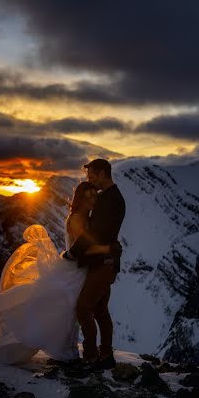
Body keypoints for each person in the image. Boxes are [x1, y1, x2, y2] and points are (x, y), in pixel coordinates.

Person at [0, 181, 109, 364]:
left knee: (69, 311)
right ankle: (67, 353)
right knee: (68, 310)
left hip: (76, 269)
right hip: (74, 270)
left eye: (95, 195)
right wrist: (105, 249)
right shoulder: (78, 218)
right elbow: (81, 248)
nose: (93, 199)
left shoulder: (81, 216)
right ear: (81, 198)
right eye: (89, 196)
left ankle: (68, 352)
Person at [67, 158, 126, 369]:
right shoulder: (107, 197)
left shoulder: (110, 199)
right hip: (103, 261)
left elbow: (95, 233)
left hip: (103, 263)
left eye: (92, 176)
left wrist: (72, 253)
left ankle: (91, 356)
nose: (91, 181)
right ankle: (106, 356)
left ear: (102, 173)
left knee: (84, 309)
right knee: (100, 310)